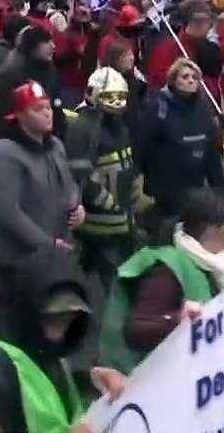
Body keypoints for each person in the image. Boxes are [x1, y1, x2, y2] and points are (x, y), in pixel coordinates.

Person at [0, 248, 125, 433]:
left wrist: (89, 379)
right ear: (28, 311)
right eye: (52, 316)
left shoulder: (40, 346)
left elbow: (40, 384)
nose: (61, 327)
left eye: (70, 316)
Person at [100, 190, 224, 373]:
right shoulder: (166, 270)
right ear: (213, 229)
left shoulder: (212, 263)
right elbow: (135, 330)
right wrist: (176, 319)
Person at [0, 81, 82, 283]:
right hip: (21, 263)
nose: (48, 113)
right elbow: (6, 211)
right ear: (19, 115)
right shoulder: (5, 153)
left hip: (57, 254)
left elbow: (69, 184)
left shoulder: (55, 146)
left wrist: (77, 205)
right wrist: (46, 243)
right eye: (38, 109)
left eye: (48, 107)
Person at [65, 68, 149, 292]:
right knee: (114, 285)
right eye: (109, 96)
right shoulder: (83, 129)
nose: (116, 102)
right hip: (98, 224)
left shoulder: (119, 127)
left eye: (120, 96)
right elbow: (78, 176)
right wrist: (108, 203)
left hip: (122, 221)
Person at [134, 58, 224, 219]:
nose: (191, 80)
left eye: (194, 77)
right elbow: (143, 146)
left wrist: (222, 195)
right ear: (174, 81)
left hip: (195, 185)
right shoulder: (158, 107)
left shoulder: (204, 110)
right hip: (166, 188)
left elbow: (212, 155)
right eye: (185, 77)